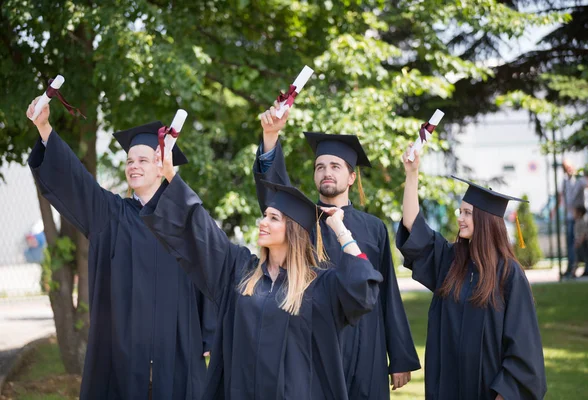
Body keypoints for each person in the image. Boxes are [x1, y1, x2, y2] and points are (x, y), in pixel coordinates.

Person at [139, 147, 383, 400]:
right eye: (265, 215)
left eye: (273, 218)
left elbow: (362, 286)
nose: (263, 222)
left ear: (294, 231)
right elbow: (201, 229)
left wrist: (340, 229)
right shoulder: (241, 270)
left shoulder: (322, 285)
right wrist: (170, 176)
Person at [26, 97, 213, 400]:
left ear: (161, 164)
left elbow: (210, 271)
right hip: (123, 360)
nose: (134, 166)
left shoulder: (186, 219)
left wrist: (209, 331)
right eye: (129, 161)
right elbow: (77, 182)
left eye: (142, 160)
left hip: (177, 356)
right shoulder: (111, 216)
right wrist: (45, 127)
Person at [253, 104, 420, 398]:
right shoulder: (300, 221)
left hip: (365, 340)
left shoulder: (373, 228)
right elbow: (272, 191)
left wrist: (400, 355)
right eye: (320, 166)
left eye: (335, 166)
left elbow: (387, 294)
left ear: (352, 177)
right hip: (312, 337)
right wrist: (270, 138)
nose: (326, 172)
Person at [396, 145, 546, 399]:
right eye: (460, 211)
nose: (460, 219)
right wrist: (412, 174)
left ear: (487, 221)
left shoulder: (508, 274)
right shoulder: (451, 261)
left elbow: (523, 349)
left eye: (468, 213)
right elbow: (413, 227)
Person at [559, 159, 588, 276]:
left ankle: (587, 266)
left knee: (583, 243)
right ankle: (571, 267)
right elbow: (562, 196)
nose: (567, 169)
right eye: (565, 168)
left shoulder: (580, 179)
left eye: (568, 167)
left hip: (580, 217)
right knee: (571, 243)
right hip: (570, 216)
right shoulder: (565, 181)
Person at [572, 206, 588, 277]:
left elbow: (584, 233)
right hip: (579, 243)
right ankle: (573, 273)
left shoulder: (582, 222)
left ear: (579, 213)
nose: (573, 214)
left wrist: (579, 242)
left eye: (575, 212)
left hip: (584, 244)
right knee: (577, 259)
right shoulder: (577, 222)